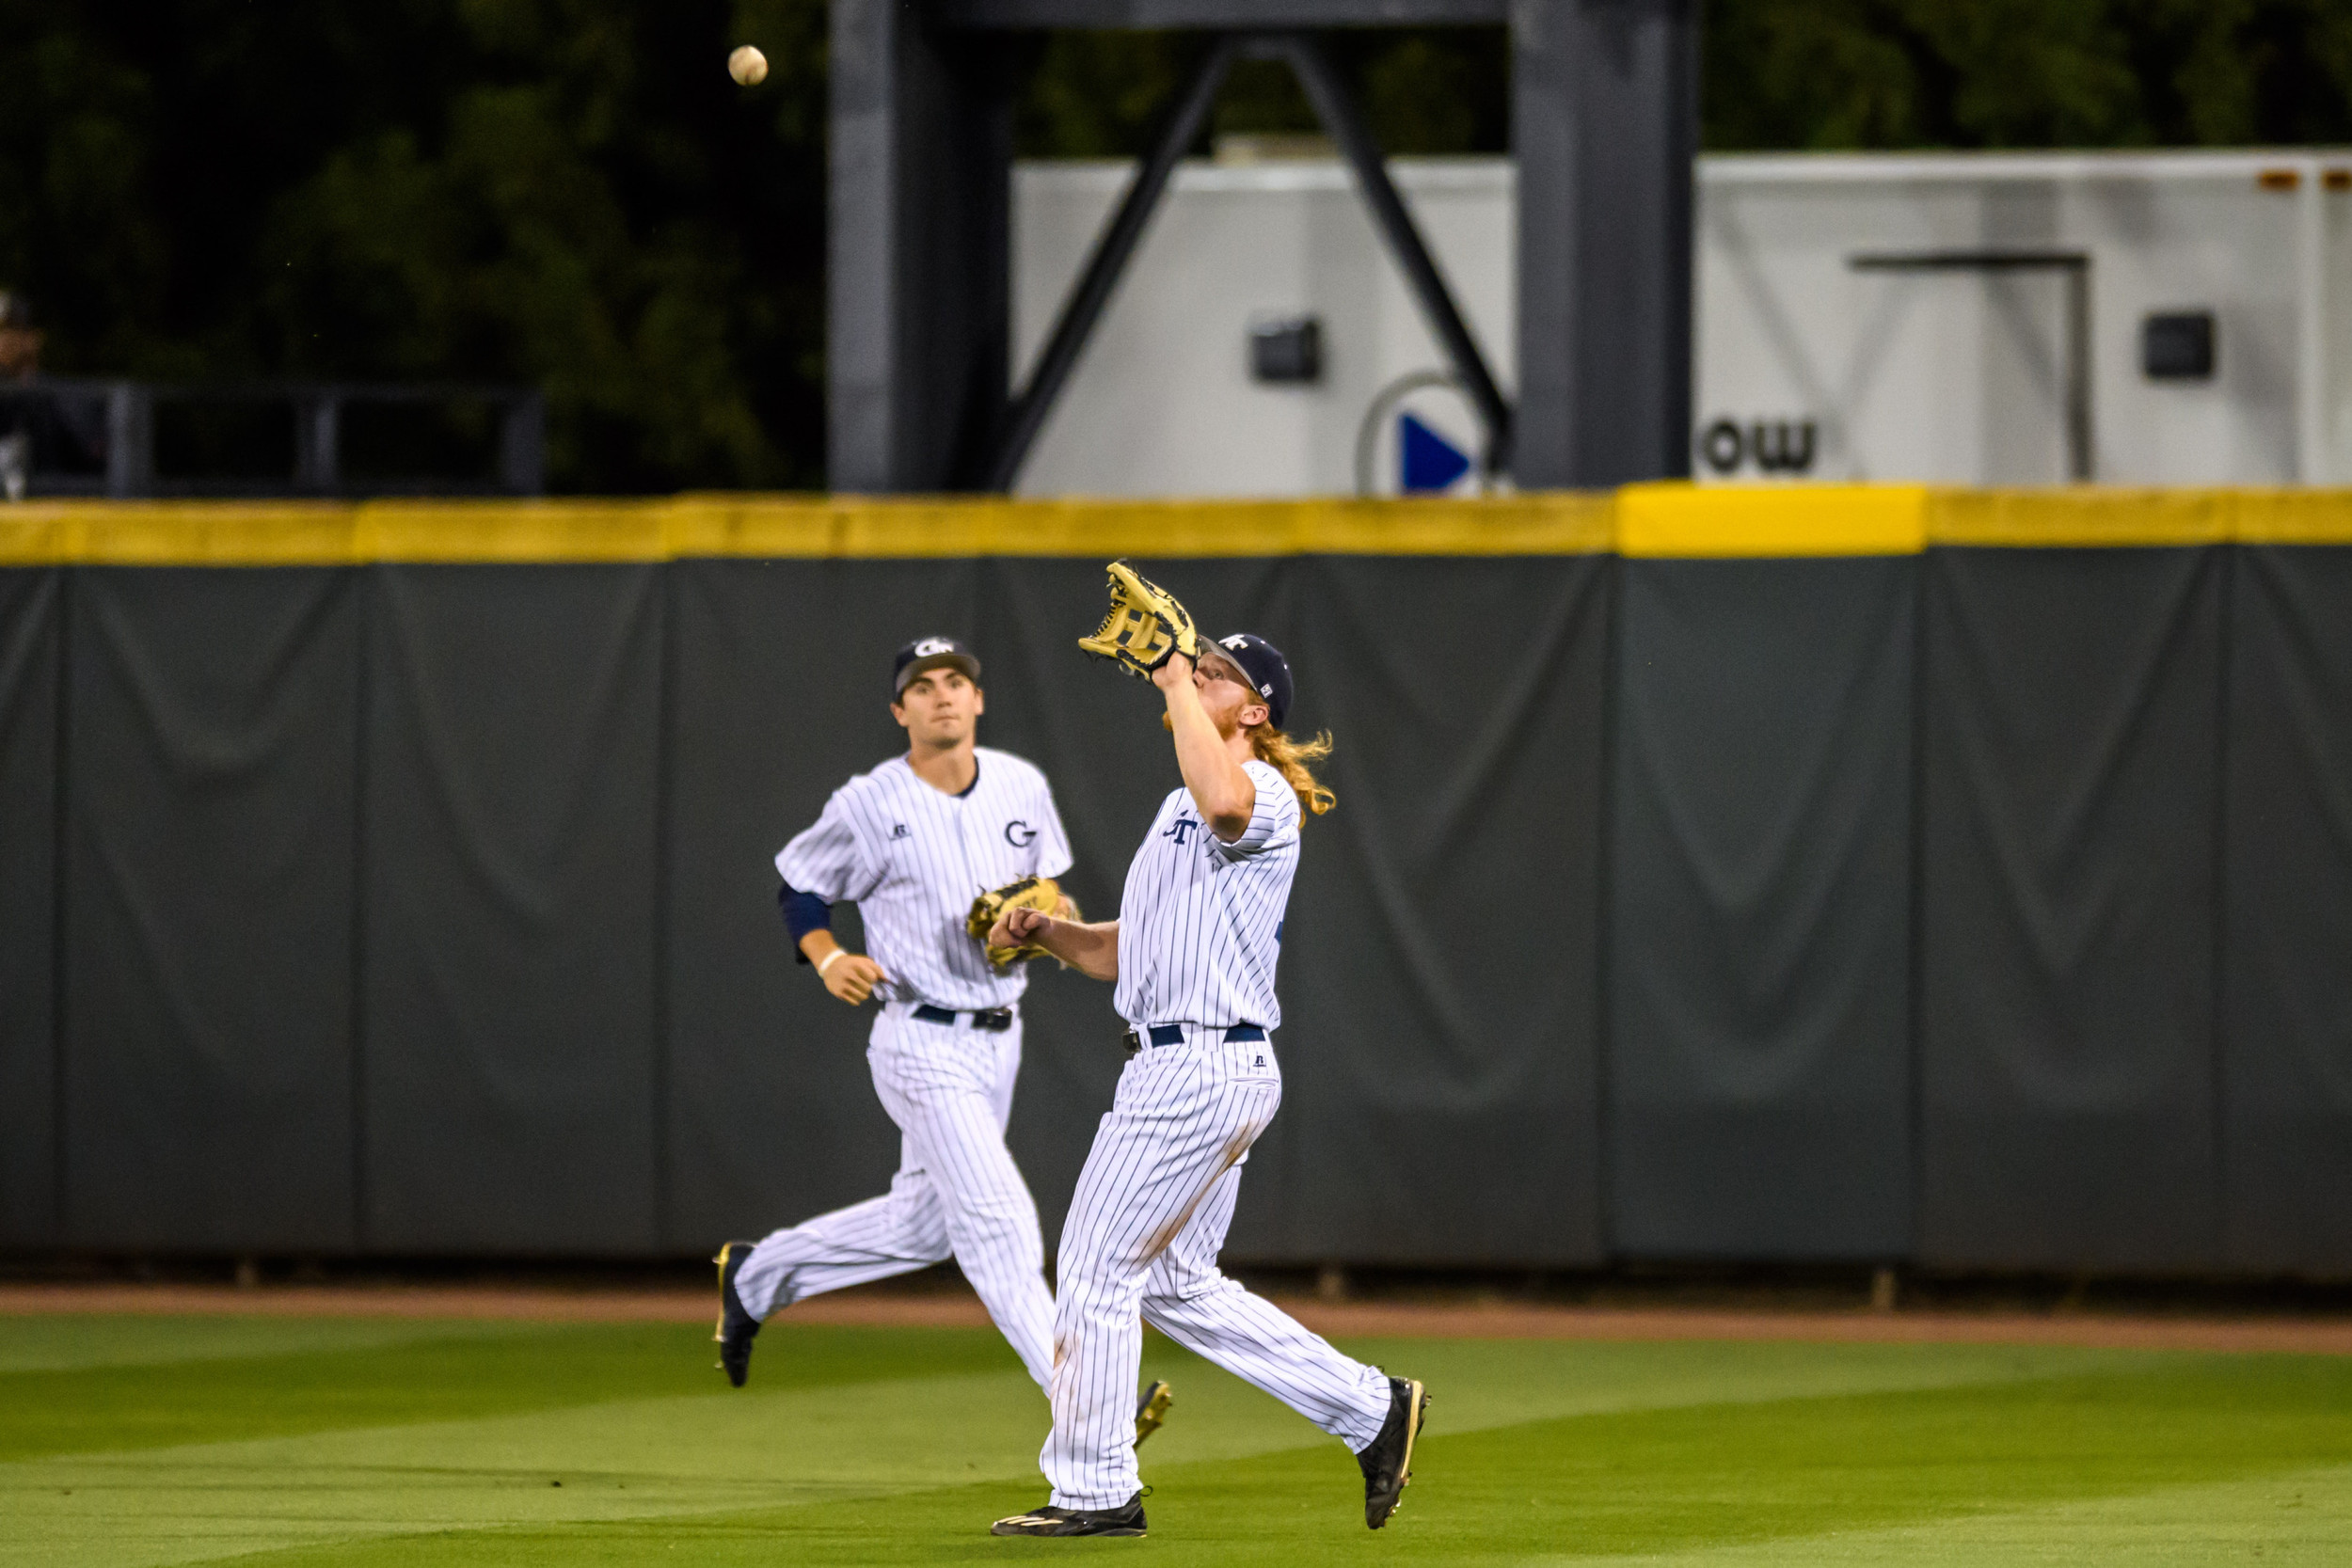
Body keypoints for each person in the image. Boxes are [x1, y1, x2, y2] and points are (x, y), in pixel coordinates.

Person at [984, 631, 1429, 1540]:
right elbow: (1125, 950)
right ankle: (1371, 1408)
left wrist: (1171, 671)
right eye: (1201, 666)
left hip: (1196, 1067)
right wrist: (1043, 933)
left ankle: (1097, 1489)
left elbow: (1225, 803)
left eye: (1219, 673)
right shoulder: (1178, 802)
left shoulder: (1256, 789)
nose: (1198, 678)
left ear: (1256, 710)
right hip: (1198, 1063)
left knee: (1096, 1269)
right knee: (1176, 1282)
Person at [710, 637, 1171, 1443]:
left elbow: (1053, 888)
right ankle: (1089, 1397)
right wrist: (827, 956)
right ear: (900, 711)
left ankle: (757, 1275)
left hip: (1000, 1036)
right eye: (922, 687)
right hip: (917, 1035)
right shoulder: (866, 801)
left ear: (979, 699)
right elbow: (799, 883)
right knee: (997, 1219)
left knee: (926, 1225)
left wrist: (1035, 917)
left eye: (956, 681)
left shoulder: (1021, 783)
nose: (942, 696)